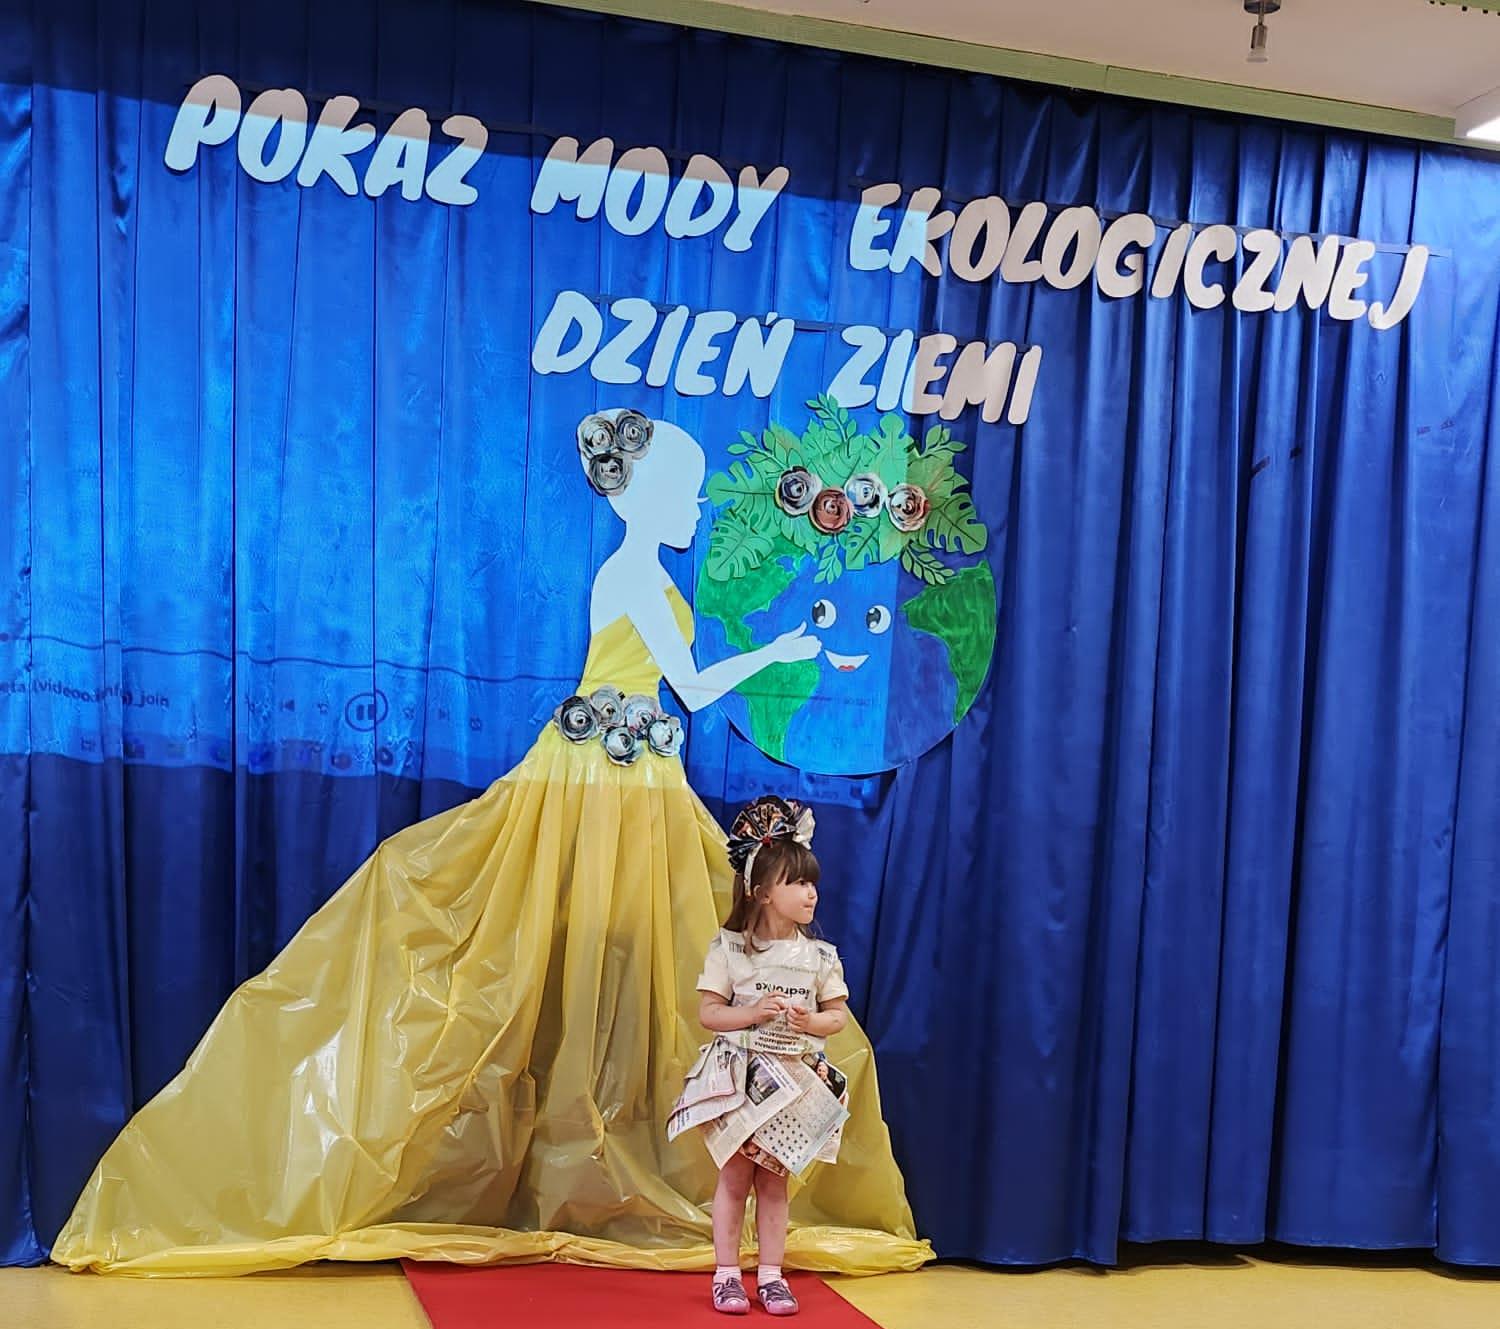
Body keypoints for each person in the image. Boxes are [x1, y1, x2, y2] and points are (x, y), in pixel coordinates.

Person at [52, 411, 930, 1278]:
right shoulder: (630, 575)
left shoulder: (646, 574)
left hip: (636, 784)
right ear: (644, 496)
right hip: (599, 786)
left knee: (629, 965)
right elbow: (692, 689)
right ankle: (556, 1157)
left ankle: (610, 1159)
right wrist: (777, 651)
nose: (697, 510)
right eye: (686, 494)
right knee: (565, 960)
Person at [688, 796, 853, 1317]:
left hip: (793, 1084)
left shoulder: (820, 957)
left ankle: (772, 1276)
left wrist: (810, 1023)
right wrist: (752, 1012)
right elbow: (709, 1013)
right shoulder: (730, 949)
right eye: (797, 883)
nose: (811, 893)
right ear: (762, 892)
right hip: (742, 1082)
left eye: (812, 882)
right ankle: (726, 1275)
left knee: (775, 1181)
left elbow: (837, 1018)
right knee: (735, 1178)